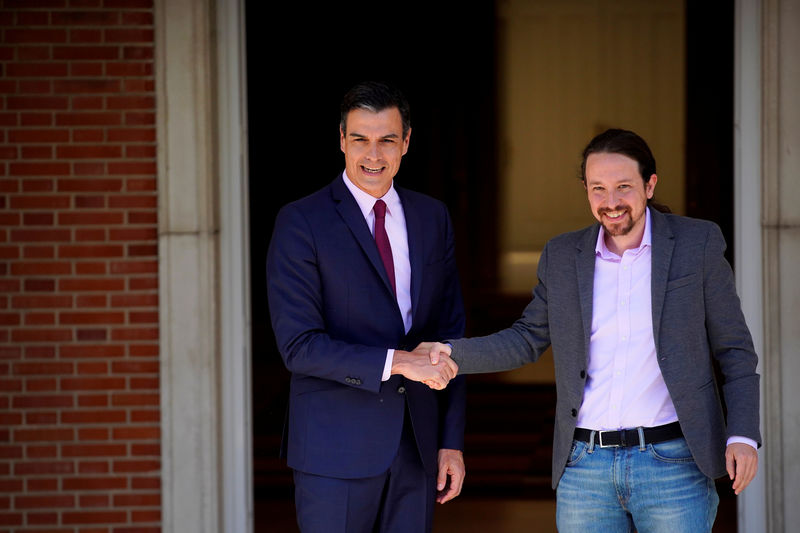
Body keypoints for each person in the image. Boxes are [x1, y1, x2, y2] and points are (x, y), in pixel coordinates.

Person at [426, 128, 761, 532]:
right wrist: (448, 353)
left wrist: (741, 434)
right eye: (598, 189)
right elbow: (526, 339)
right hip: (585, 468)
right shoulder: (563, 255)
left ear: (650, 185)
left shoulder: (698, 244)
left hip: (674, 463)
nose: (611, 202)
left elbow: (735, 349)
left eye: (624, 187)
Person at [266, 80, 466, 533]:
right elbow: (299, 346)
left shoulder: (432, 217)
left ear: (406, 142)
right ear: (341, 140)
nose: (373, 154)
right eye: (360, 139)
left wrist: (451, 441)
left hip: (417, 447)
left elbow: (452, 336)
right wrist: (400, 363)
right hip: (333, 450)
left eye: (387, 140)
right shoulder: (302, 221)